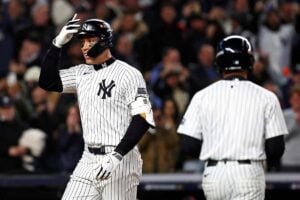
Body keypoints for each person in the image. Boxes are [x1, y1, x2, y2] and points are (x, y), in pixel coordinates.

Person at [38, 14, 154, 199]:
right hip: (88, 157)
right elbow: (47, 82)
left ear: (103, 41)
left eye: (89, 41)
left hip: (120, 158)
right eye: (82, 42)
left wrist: (117, 156)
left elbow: (142, 118)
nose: (84, 47)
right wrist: (56, 45)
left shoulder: (128, 73)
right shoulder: (81, 72)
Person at [177, 35, 288, 200]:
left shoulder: (202, 96)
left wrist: (217, 149)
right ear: (250, 62)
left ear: (219, 63)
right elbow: (276, 149)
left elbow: (188, 145)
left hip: (215, 173)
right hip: (248, 172)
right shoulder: (267, 97)